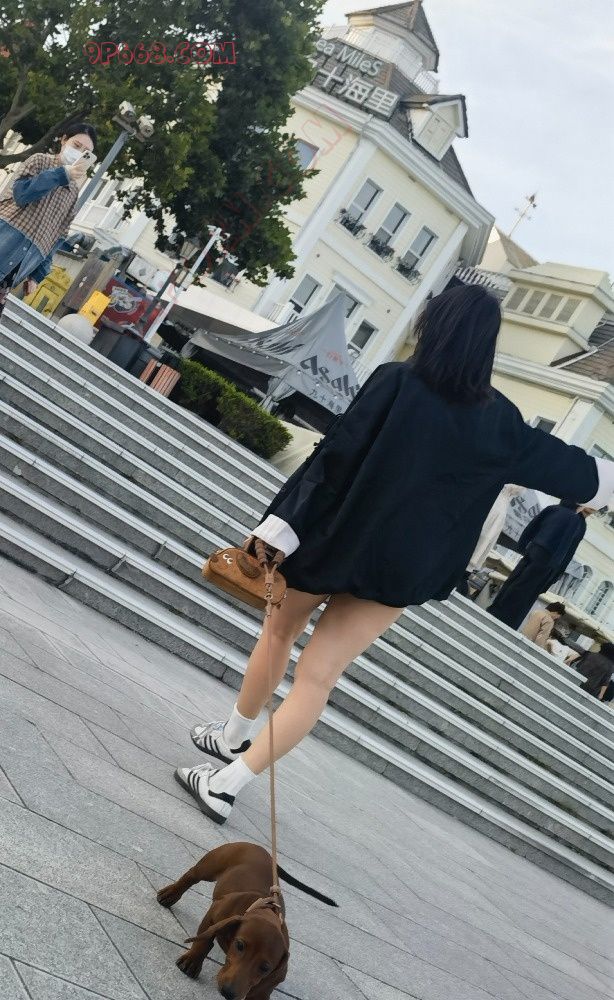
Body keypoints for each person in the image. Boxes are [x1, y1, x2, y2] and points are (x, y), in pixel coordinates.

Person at [175, 284, 614, 824]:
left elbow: (334, 457)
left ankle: (232, 737)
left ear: (436, 326)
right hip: (402, 570)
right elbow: (585, 475)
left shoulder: (397, 381)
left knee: (279, 633)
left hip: (334, 538)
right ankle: (227, 785)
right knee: (318, 678)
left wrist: (280, 528)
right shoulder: (503, 421)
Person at [0, 122, 97, 308]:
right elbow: (22, 195)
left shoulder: (72, 192)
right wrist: (61, 174)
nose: (79, 153)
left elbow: (58, 236)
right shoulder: (40, 161)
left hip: (16, 268)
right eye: (76, 145)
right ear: (64, 140)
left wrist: (37, 274)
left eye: (85, 152)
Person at [487, 500, 594, 631]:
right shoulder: (575, 520)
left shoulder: (554, 509)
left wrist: (522, 545)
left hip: (534, 549)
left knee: (515, 580)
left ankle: (496, 610)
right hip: (549, 559)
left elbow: (532, 527)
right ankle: (505, 619)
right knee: (526, 590)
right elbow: (567, 548)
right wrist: (555, 570)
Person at [457, 483, 523, 595]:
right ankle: (463, 571)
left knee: (484, 538)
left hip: (498, 507)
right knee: (482, 537)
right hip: (496, 505)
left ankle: (464, 571)